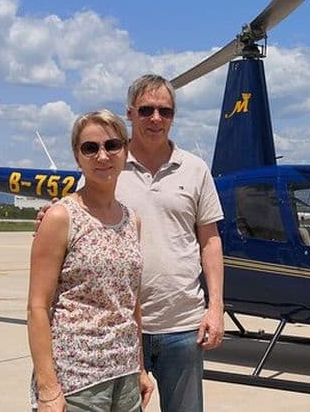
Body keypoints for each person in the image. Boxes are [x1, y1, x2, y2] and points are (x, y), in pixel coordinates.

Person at [37, 74, 224, 412]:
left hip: (181, 324)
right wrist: (49, 219)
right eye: (146, 110)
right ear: (130, 114)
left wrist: (215, 307)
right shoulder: (107, 164)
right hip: (118, 333)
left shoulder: (195, 169)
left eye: (165, 111)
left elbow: (210, 241)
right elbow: (78, 211)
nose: (156, 118)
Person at [28, 110, 154, 411]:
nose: (102, 156)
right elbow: (36, 307)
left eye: (112, 145)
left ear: (125, 151)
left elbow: (130, 303)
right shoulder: (61, 216)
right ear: (77, 156)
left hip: (124, 374)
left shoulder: (131, 220)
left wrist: (140, 367)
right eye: (90, 148)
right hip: (77, 380)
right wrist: (47, 388)